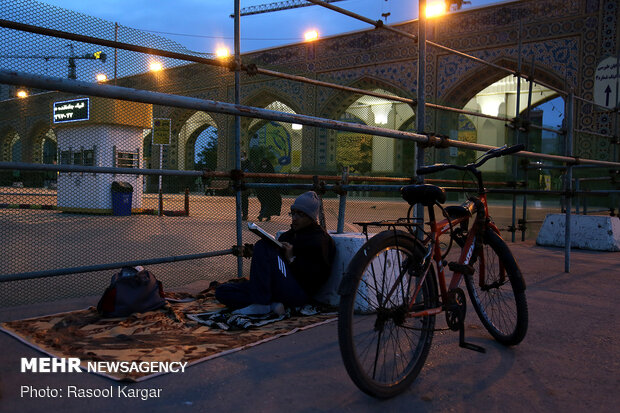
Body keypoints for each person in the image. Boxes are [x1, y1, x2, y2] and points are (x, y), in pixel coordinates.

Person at [215, 191, 336, 315]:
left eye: (300, 214)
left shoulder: (320, 240)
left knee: (262, 245)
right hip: (276, 288)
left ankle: (261, 304)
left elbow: (312, 280)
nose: (294, 218)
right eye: (293, 213)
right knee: (222, 291)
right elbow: (275, 266)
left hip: (298, 292)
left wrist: (291, 259)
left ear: (311, 217)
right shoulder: (289, 235)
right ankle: (271, 305)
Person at [240, 151, 254, 221]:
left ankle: (245, 214)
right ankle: (242, 213)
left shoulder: (249, 163)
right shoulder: (239, 164)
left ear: (245, 156)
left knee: (244, 199)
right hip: (240, 183)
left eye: (242, 156)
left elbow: (251, 173)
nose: (241, 158)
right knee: (241, 200)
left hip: (246, 184)